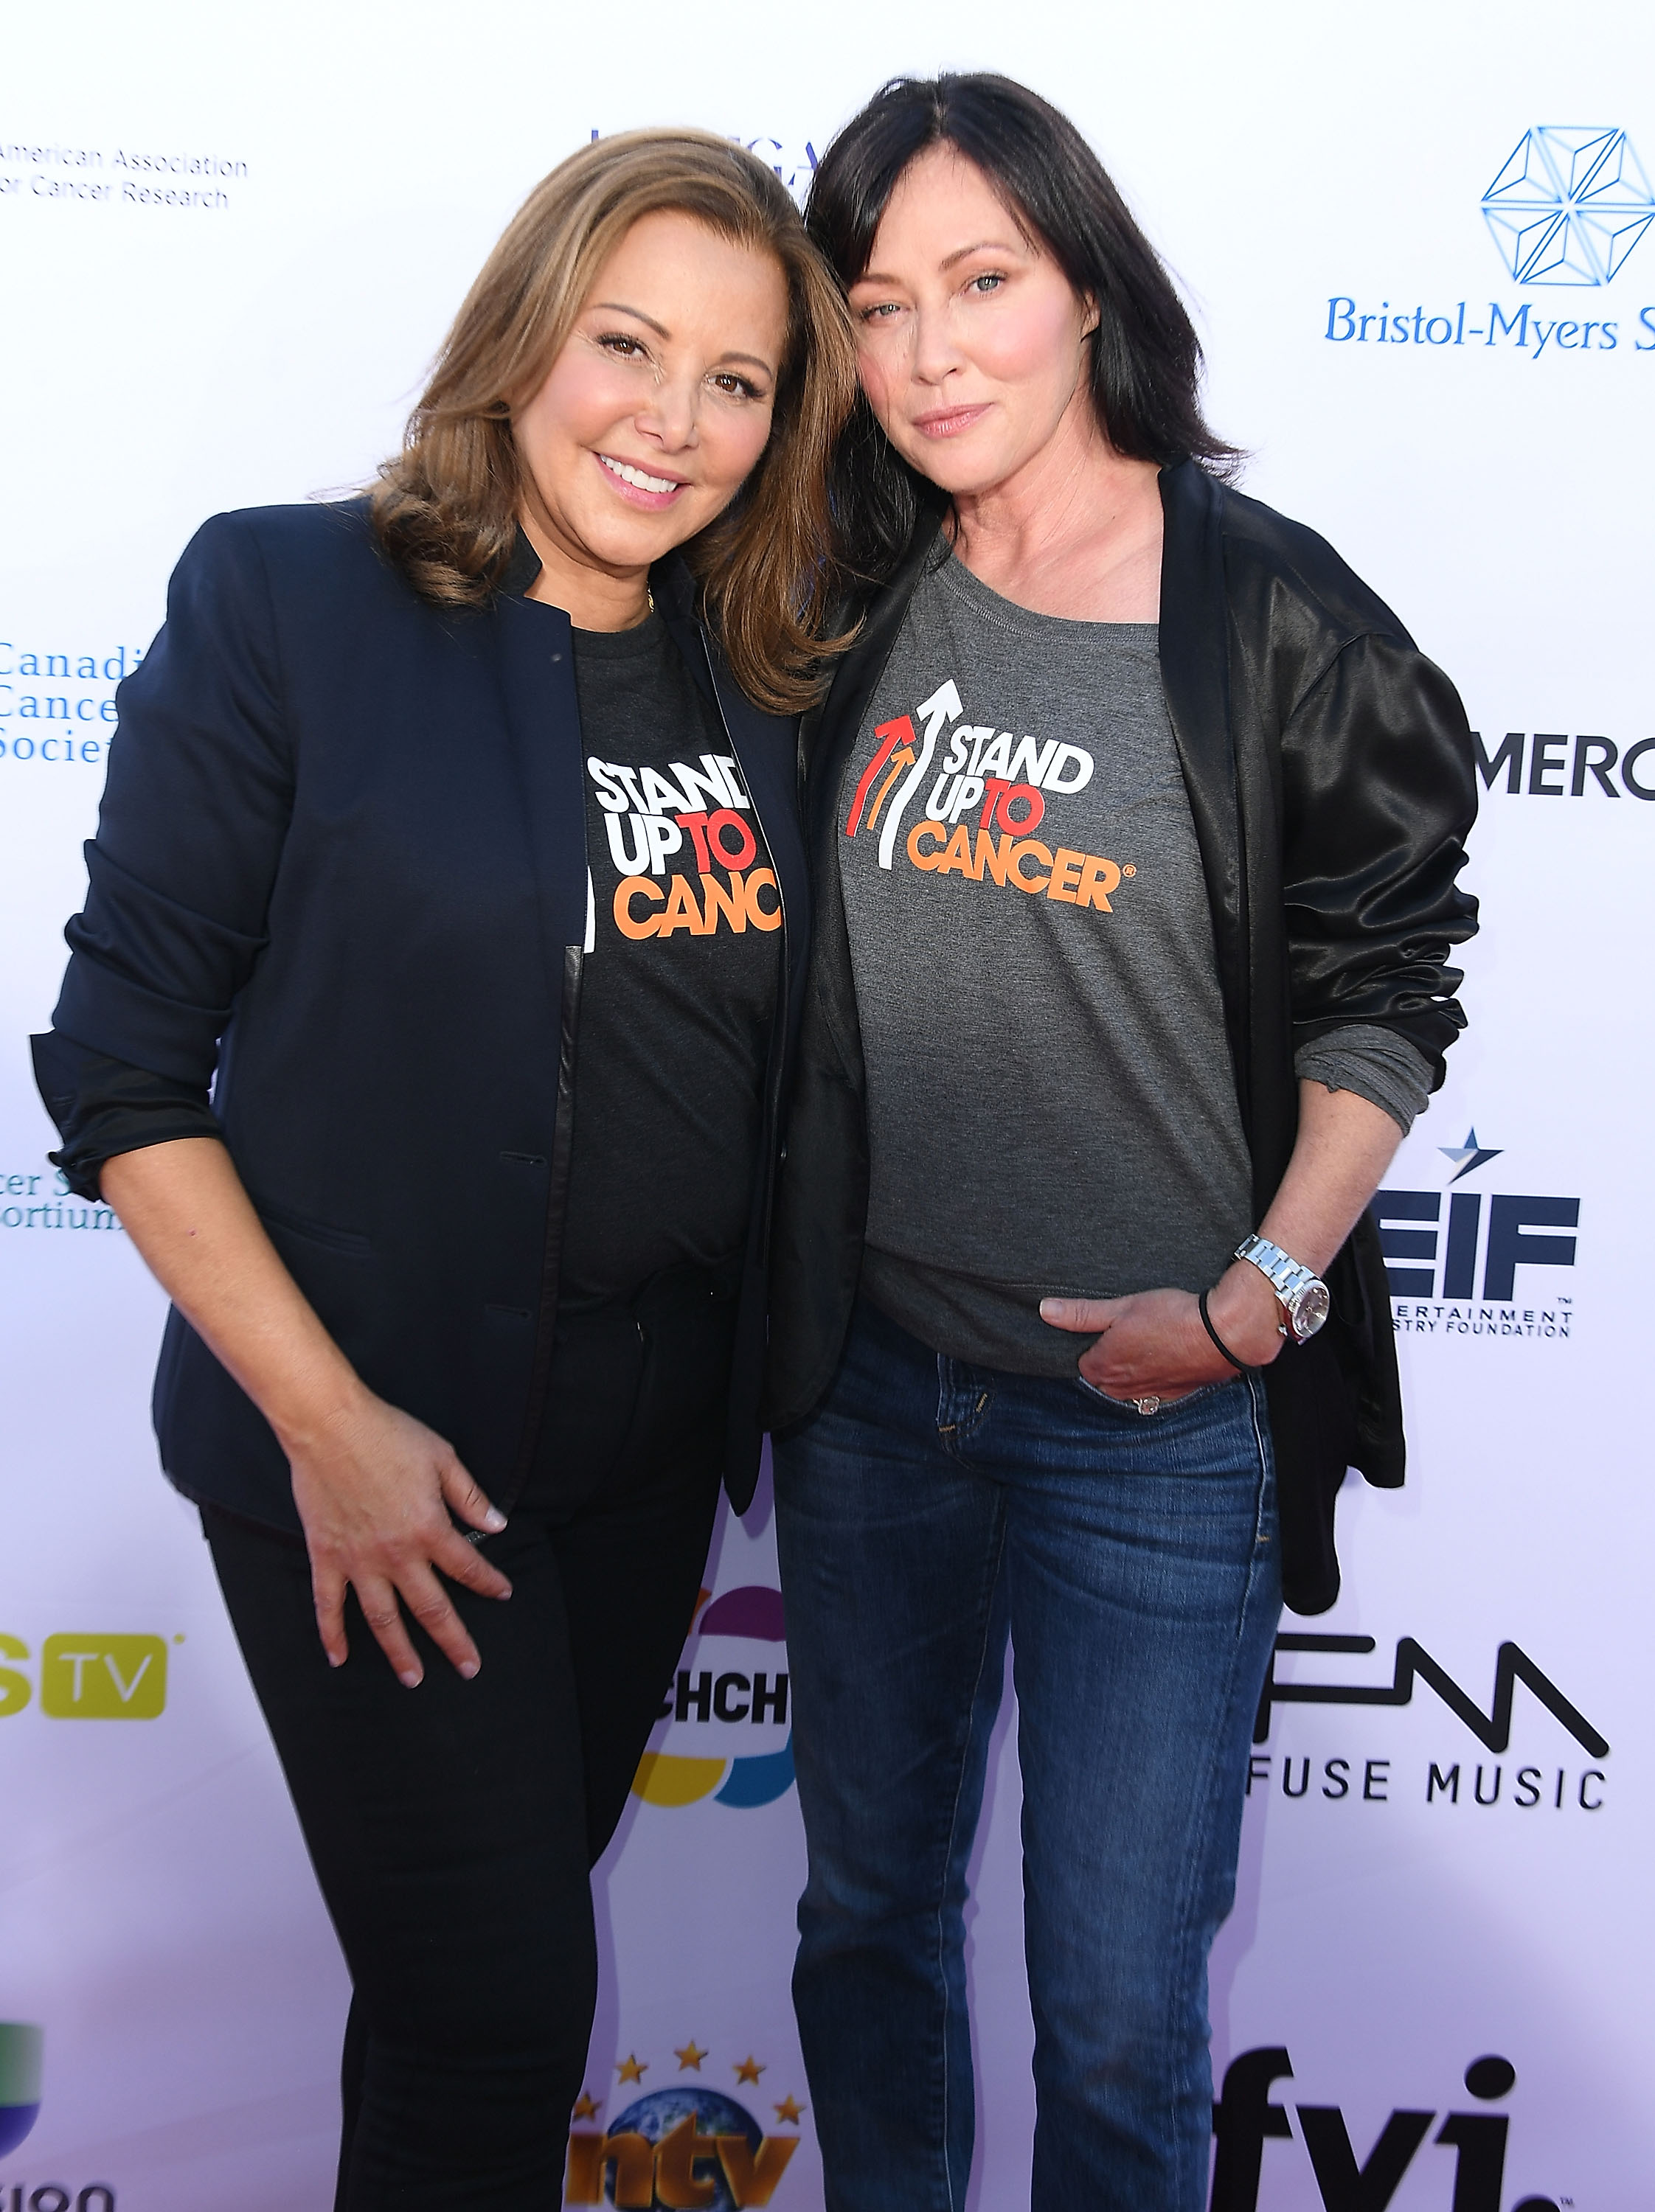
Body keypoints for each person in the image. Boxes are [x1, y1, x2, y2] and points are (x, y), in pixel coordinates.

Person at [31, 130, 853, 2209]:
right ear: (518, 342)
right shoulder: (295, 600)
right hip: (380, 1461)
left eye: (737, 382)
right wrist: (333, 1433)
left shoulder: (765, 675)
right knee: (499, 2020)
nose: (671, 423)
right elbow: (125, 1074)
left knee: (445, 2007)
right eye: (628, 345)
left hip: (644, 1464)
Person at [763, 74, 1478, 2212]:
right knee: (861, 1924)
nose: (926, 355)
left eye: (977, 285)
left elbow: (1384, 991)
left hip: (1146, 1424)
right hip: (873, 1396)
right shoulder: (837, 593)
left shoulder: (1267, 613)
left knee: (1114, 2012)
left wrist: (1253, 1305)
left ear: (1084, 290)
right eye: (875, 306)